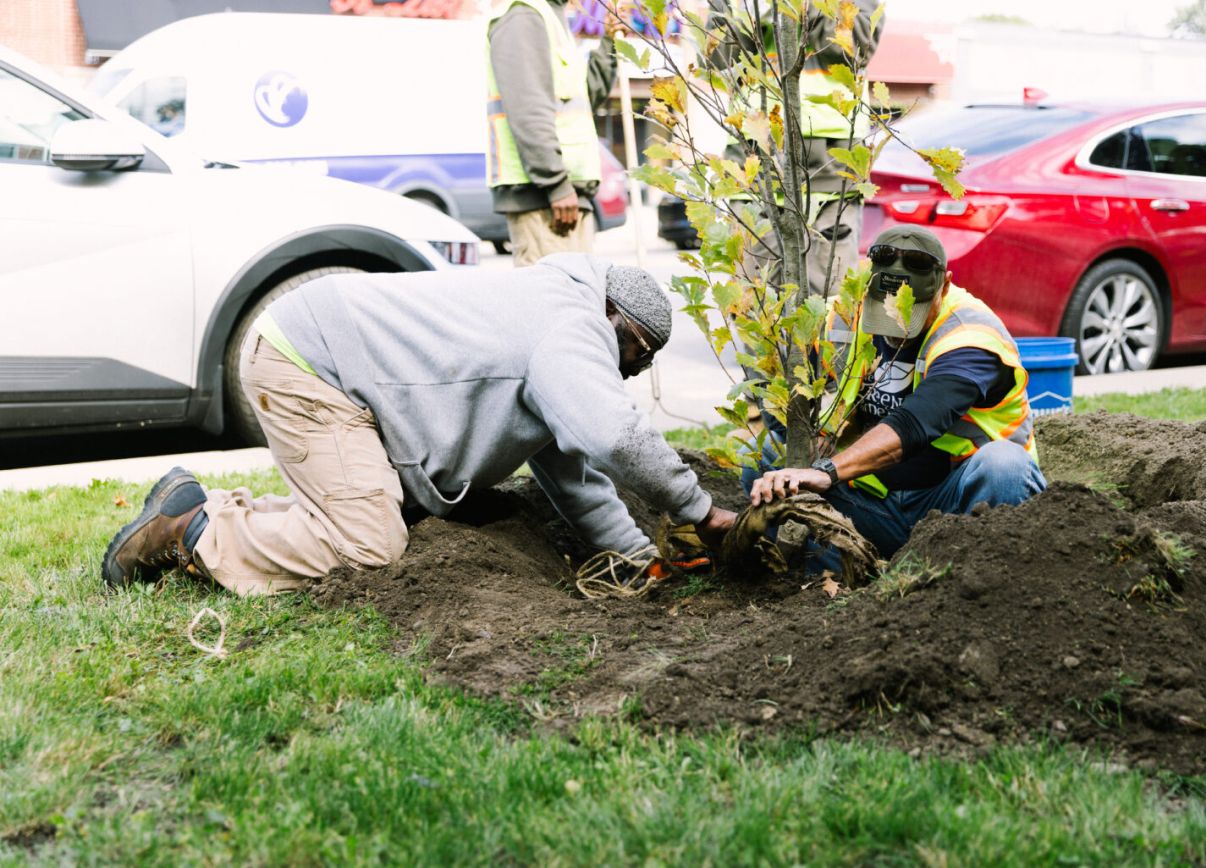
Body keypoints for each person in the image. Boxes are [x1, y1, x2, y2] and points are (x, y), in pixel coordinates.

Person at [102, 255, 739, 595]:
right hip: (310, 364)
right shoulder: (572, 330)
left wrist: (632, 555)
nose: (631, 373)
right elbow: (615, 436)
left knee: (359, 512)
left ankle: (202, 506)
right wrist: (701, 512)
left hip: (324, 353)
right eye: (637, 355)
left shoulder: (557, 316)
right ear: (613, 317)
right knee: (370, 547)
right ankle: (194, 533)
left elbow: (570, 468)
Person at [745, 226, 1046, 560]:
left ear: (943, 285)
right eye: (883, 312)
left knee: (1004, 464)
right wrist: (810, 443)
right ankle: (828, 572)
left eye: (909, 314)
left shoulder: (970, 336)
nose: (894, 330)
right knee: (766, 458)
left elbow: (917, 422)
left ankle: (977, 573)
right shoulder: (841, 317)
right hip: (875, 504)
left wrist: (825, 471)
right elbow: (778, 394)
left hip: (955, 503)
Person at [705, 0, 884, 298]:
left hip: (829, 168)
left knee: (828, 309)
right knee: (755, 309)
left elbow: (854, 47)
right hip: (754, 162)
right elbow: (720, 57)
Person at [486, 0, 618, 266]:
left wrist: (611, 42)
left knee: (577, 301)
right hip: (546, 202)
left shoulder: (553, 18)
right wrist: (556, 185)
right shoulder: (524, 15)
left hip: (566, 198)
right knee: (554, 303)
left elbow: (584, 97)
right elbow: (529, 109)